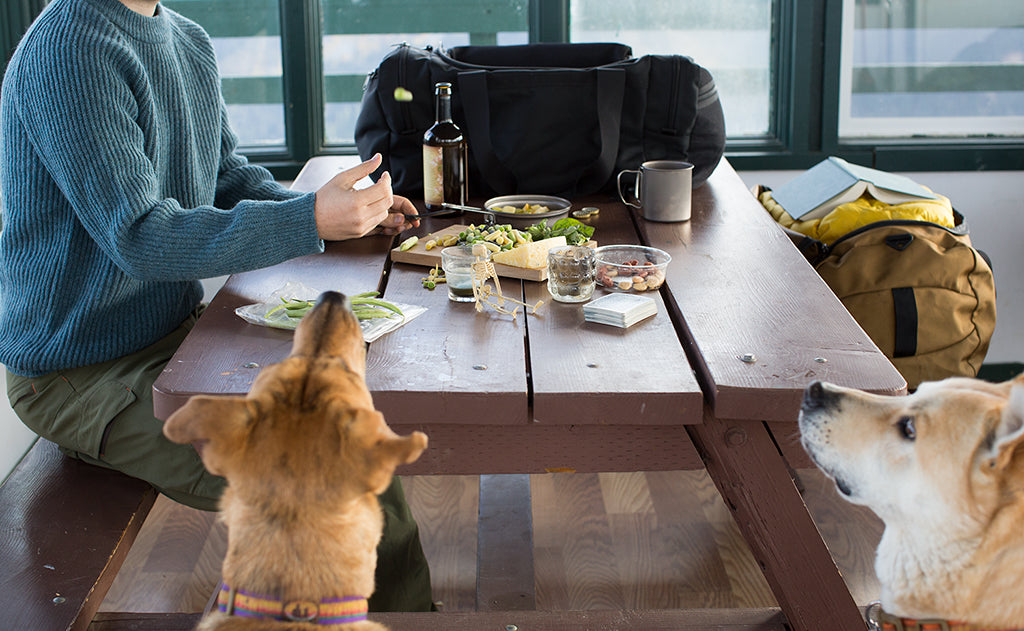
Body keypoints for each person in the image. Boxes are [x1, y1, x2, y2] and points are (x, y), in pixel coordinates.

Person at [0, 0, 433, 612]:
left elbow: (225, 175)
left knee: (351, 423)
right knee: (338, 471)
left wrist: (340, 220)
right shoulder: (68, 49)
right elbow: (140, 238)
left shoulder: (186, 38)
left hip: (174, 338)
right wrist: (306, 218)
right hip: (76, 375)